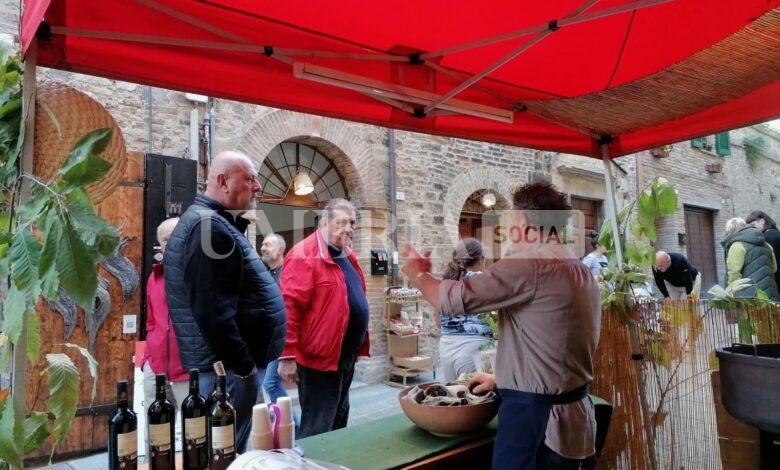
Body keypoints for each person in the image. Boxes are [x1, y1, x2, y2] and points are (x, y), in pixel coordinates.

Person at [403, 181, 601, 469]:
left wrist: (417, 274)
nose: (510, 231)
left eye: (514, 221)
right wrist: (500, 379)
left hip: (536, 420)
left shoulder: (530, 264)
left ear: (531, 226)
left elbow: (453, 300)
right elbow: (556, 344)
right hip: (573, 414)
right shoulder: (578, 267)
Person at [164, 151, 287, 453]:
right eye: (249, 178)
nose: (258, 186)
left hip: (226, 371)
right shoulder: (209, 228)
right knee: (223, 456)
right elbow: (212, 312)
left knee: (227, 452)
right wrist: (244, 368)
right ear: (223, 181)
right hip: (226, 374)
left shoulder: (214, 224)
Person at [277, 198, 370, 438]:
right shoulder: (304, 255)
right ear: (325, 222)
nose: (349, 228)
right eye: (342, 222)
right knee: (318, 427)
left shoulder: (347, 254)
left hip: (345, 356)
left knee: (339, 420)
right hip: (319, 360)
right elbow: (289, 307)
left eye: (352, 222)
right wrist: (287, 355)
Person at [141, 218, 188, 417]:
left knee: (195, 433)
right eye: (166, 240)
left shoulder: (198, 273)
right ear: (160, 245)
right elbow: (151, 322)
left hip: (187, 369)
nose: (171, 243)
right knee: (156, 432)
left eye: (176, 236)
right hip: (156, 366)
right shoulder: (154, 277)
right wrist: (147, 359)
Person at [438, 238, 495, 381]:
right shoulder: (485, 281)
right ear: (480, 260)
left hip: (446, 348)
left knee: (456, 398)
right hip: (477, 350)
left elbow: (438, 322)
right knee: (483, 399)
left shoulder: (444, 283)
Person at [258, 233, 299, 426]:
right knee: (270, 383)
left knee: (271, 383)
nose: (263, 248)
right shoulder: (268, 274)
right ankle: (294, 426)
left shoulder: (288, 272)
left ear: (280, 249)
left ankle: (294, 426)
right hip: (270, 339)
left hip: (283, 339)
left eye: (267, 244)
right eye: (262, 244)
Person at [723, 216, 779, 300]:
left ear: (729, 231)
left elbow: (734, 274)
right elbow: (774, 268)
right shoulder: (766, 245)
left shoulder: (737, 246)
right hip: (770, 295)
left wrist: (730, 295)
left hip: (750, 298)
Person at [745, 210, 780, 291]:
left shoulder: (766, 237)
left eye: (753, 225)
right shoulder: (776, 233)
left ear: (762, 221)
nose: (751, 228)